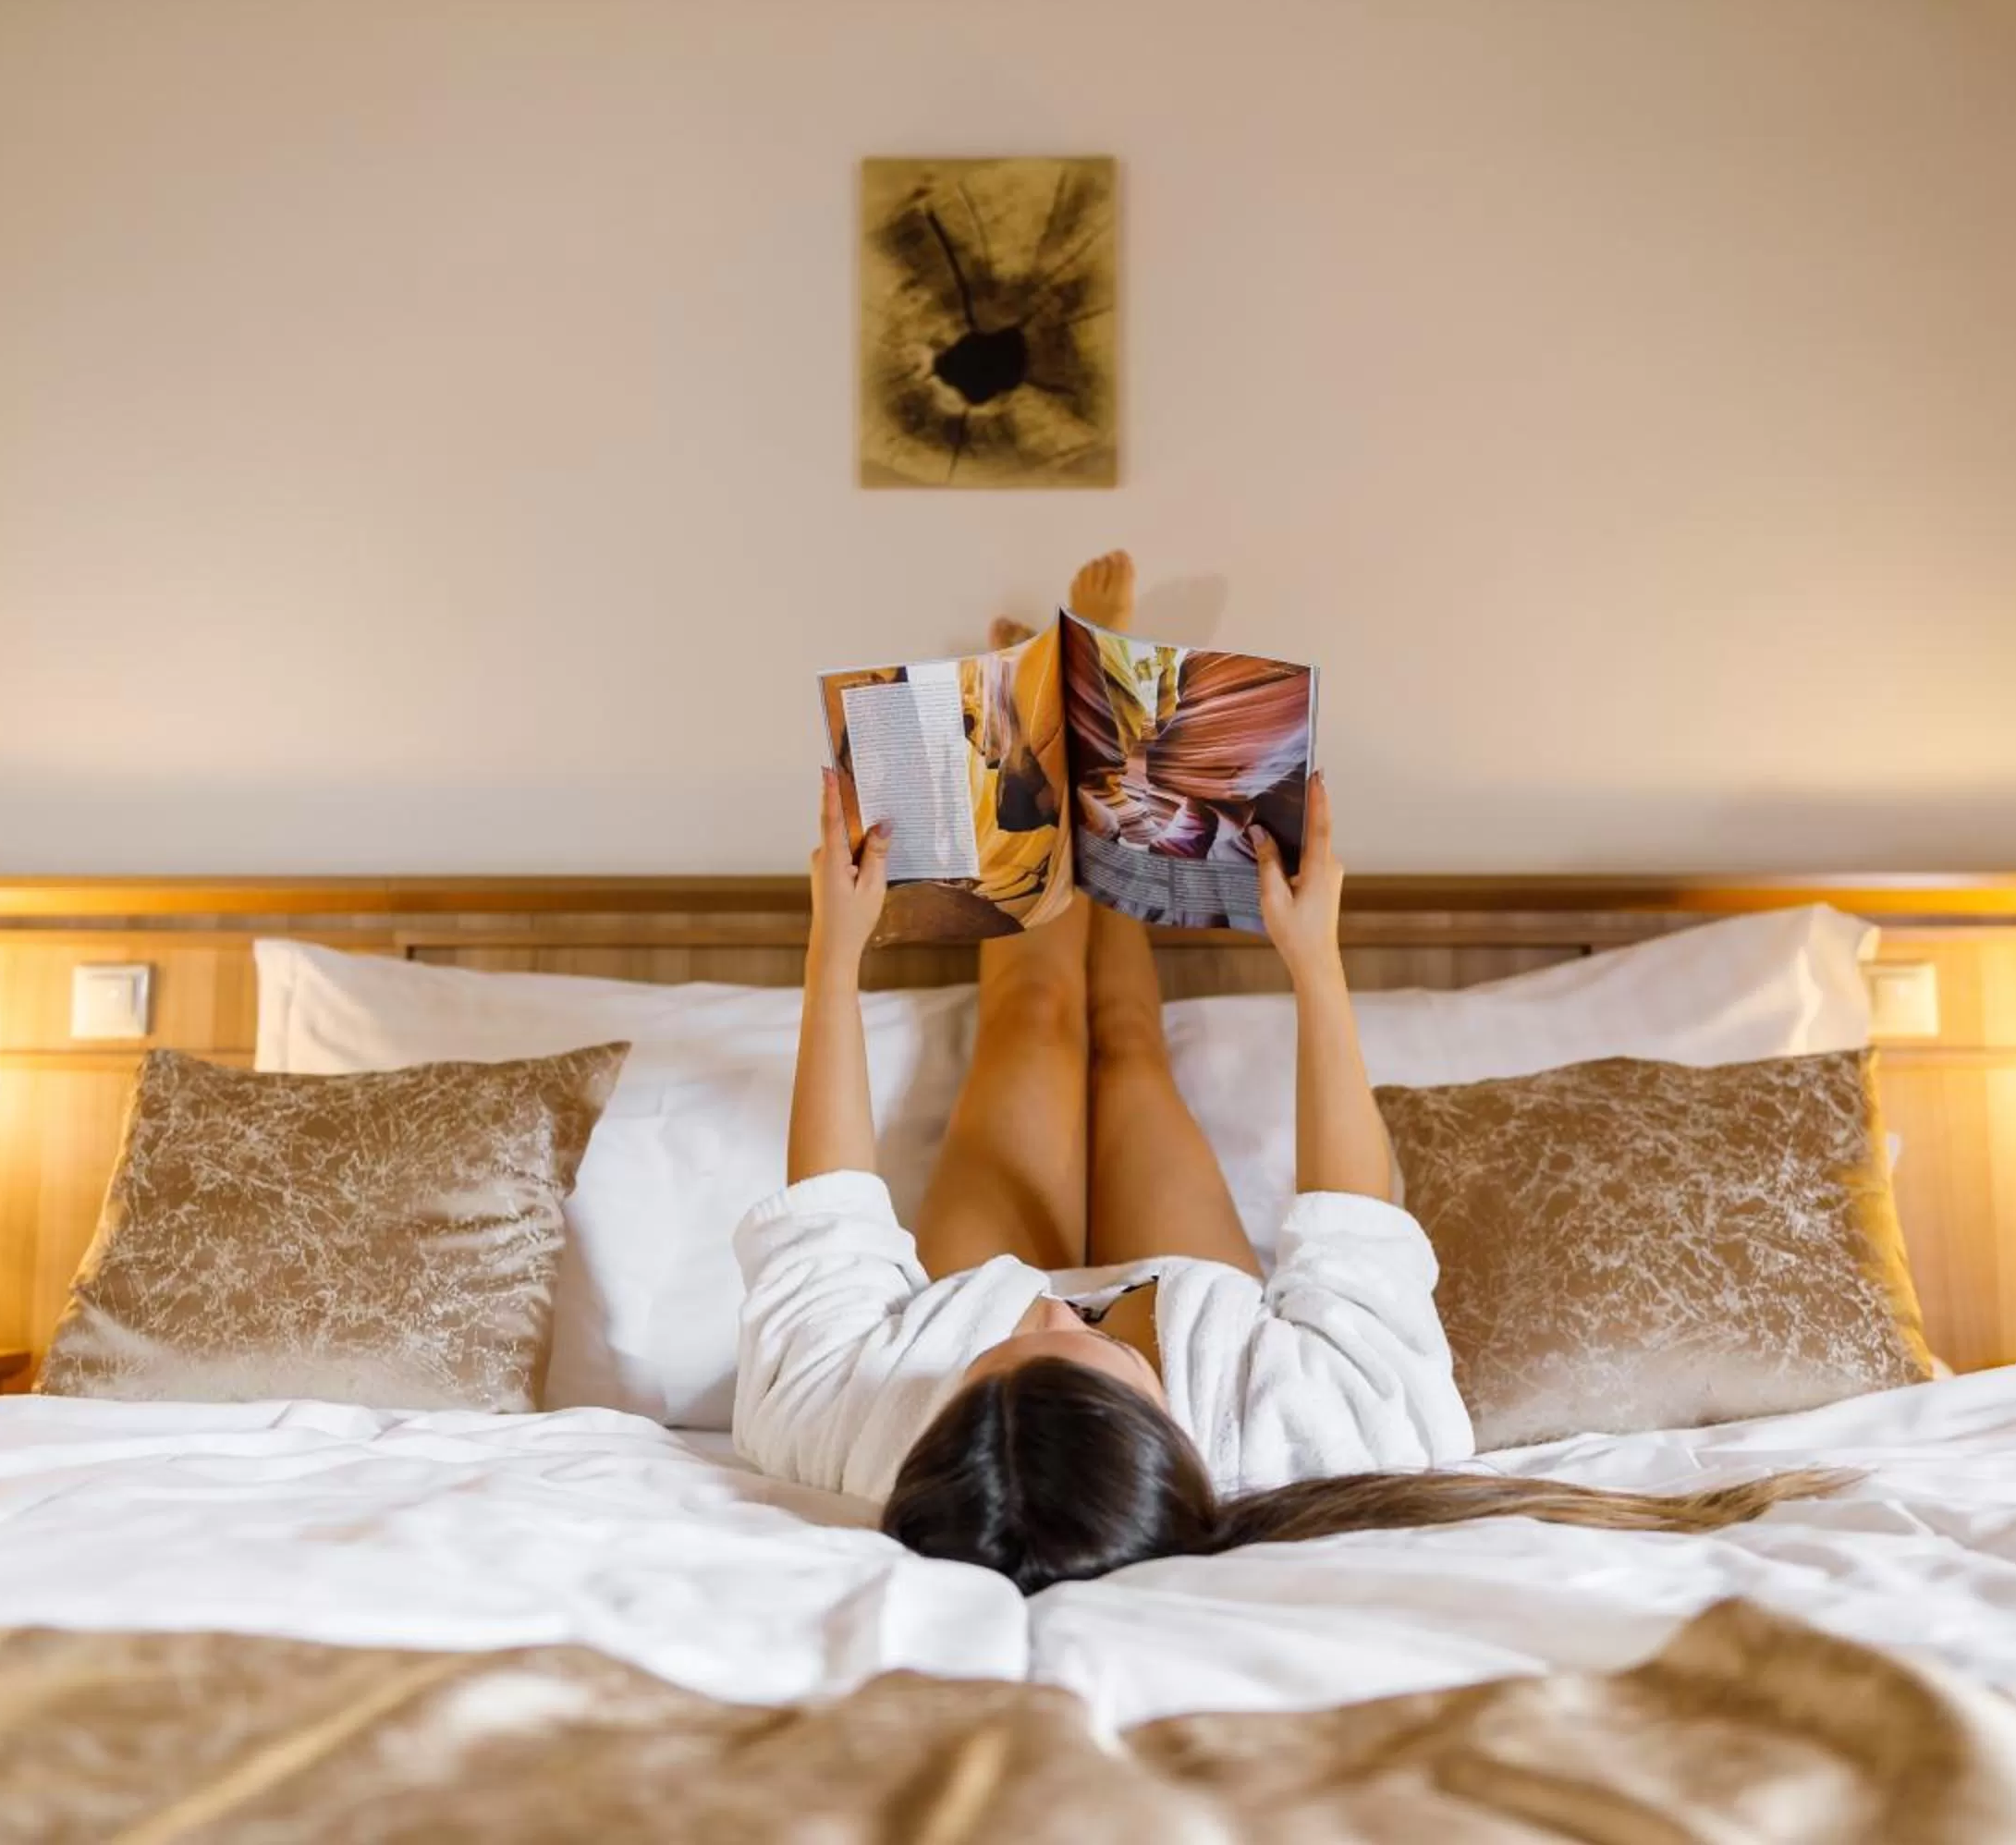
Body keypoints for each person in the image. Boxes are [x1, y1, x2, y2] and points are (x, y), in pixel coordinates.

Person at [733, 553, 1846, 1594]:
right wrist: (1314, 958)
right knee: (1126, 1046)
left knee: (1028, 1019)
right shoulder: (1320, 1429)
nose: (1055, 1316)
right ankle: (1101, 730)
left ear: (935, 1430)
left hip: (953, 1297)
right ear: (1181, 1446)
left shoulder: (842, 1418)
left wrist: (834, 945)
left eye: (1005, 1355)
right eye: (1085, 1353)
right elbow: (1350, 1226)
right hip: (1188, 1295)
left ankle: (1053, 748)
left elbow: (828, 1217)